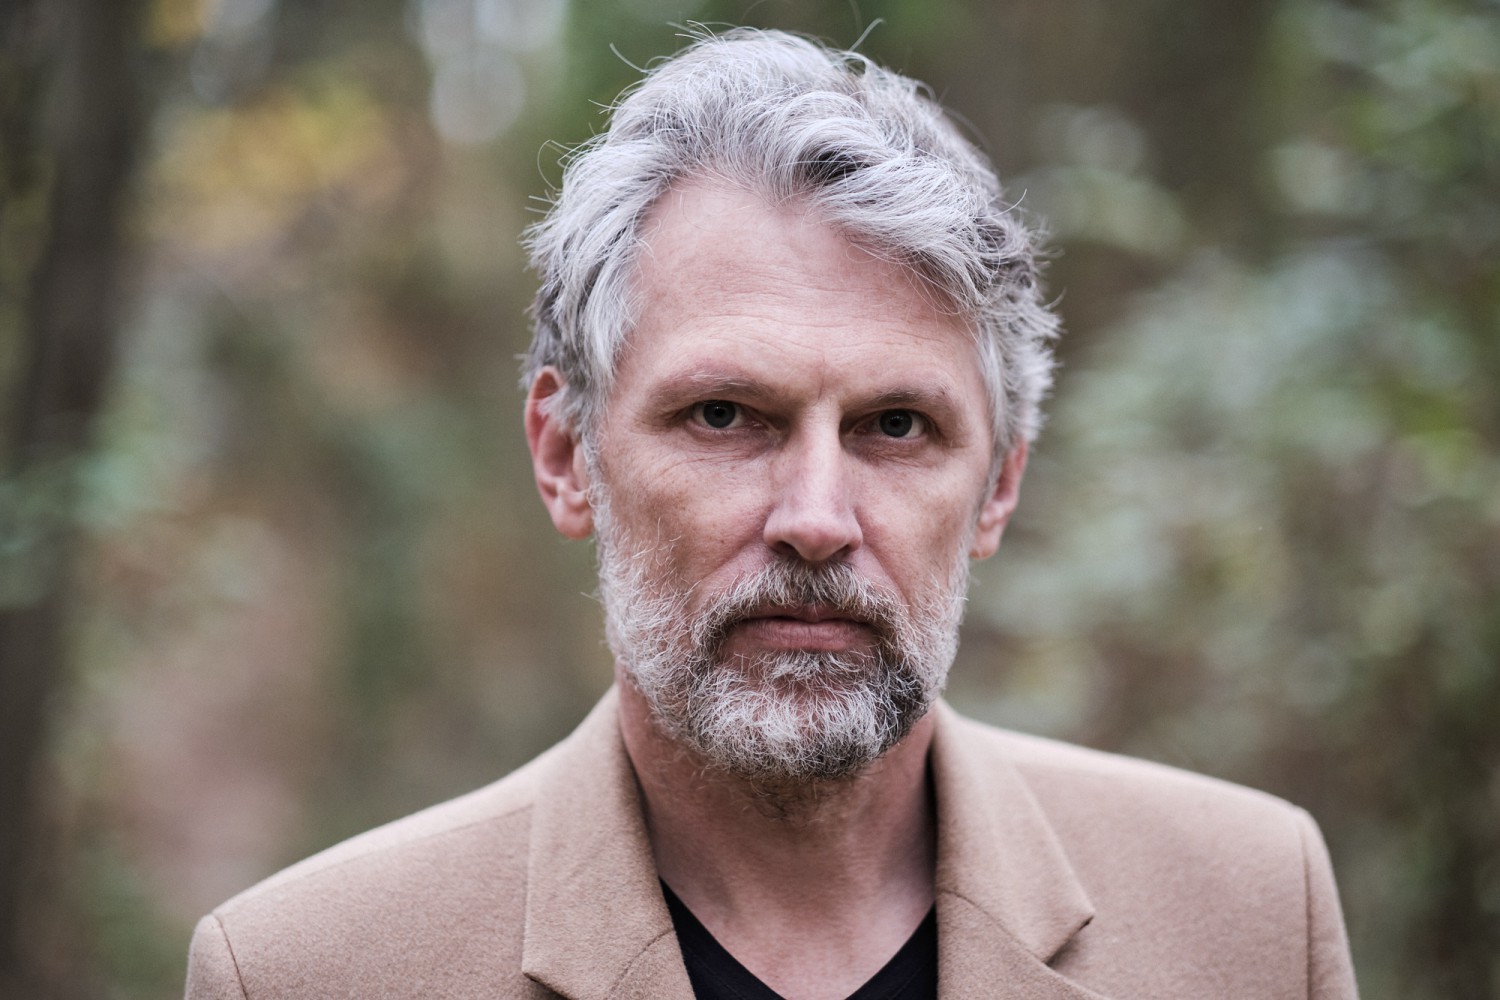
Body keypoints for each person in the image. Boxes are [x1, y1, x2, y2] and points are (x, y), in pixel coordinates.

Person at [184, 28, 1358, 1000]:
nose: (816, 517)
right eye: (725, 415)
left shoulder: (1251, 914)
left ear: (998, 485)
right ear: (566, 453)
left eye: (896, 425)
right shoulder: (304, 972)